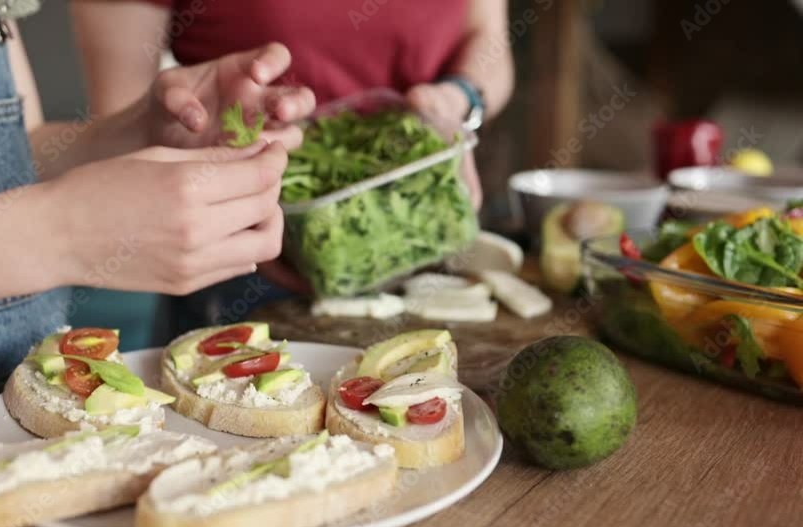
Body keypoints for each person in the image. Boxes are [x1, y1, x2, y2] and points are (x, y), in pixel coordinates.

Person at [0, 0, 314, 490]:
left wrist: (144, 137)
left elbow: (10, 153)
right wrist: (57, 233)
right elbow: (36, 220)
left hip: (14, 442)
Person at [70, 0, 514, 330]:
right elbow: (124, 128)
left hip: (432, 227)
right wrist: (221, 168)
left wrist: (457, 100)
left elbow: (489, 40)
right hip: (244, 259)